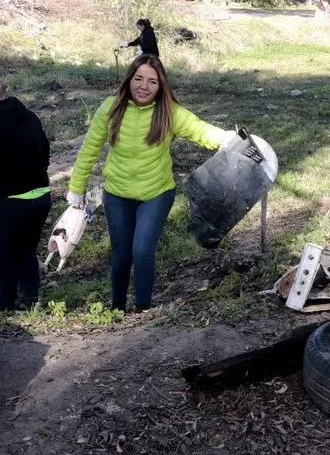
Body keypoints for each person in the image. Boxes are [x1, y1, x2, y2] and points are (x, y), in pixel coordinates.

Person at [66, 55, 236, 313]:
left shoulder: (169, 111)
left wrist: (229, 140)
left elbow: (200, 130)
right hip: (117, 193)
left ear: (161, 86)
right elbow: (89, 150)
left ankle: (143, 307)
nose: (143, 86)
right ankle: (117, 307)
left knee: (142, 250)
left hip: (156, 193)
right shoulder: (111, 108)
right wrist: (76, 189)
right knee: (121, 254)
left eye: (152, 81)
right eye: (138, 79)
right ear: (129, 80)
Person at [0, 76, 51, 313]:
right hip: (41, 196)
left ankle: (6, 303)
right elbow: (45, 150)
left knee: (0, 253)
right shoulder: (30, 115)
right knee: (26, 250)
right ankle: (31, 300)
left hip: (11, 202)